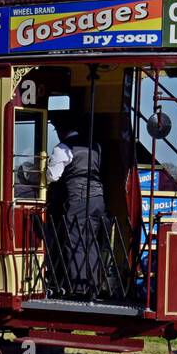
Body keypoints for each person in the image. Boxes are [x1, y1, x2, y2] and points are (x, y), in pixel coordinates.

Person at [45, 116, 108, 299]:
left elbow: (53, 176)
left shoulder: (63, 148)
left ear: (60, 130)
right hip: (98, 198)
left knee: (76, 241)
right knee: (91, 241)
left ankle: (78, 288)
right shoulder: (94, 145)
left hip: (79, 198)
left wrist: (45, 169)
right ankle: (93, 285)